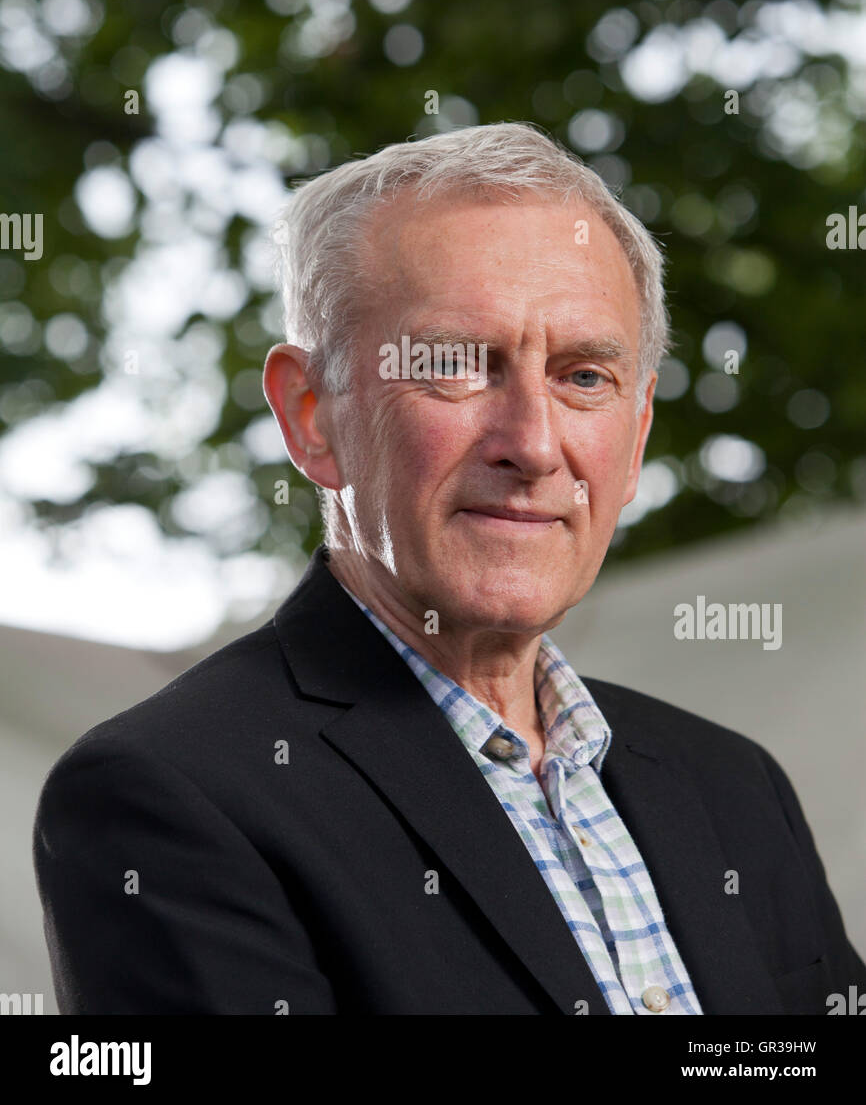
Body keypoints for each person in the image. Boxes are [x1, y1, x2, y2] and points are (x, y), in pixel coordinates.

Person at [33, 122, 865, 1015]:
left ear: (636, 440)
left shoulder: (733, 787)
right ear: (312, 415)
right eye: (456, 367)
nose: (535, 446)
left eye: (584, 377)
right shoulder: (167, 795)